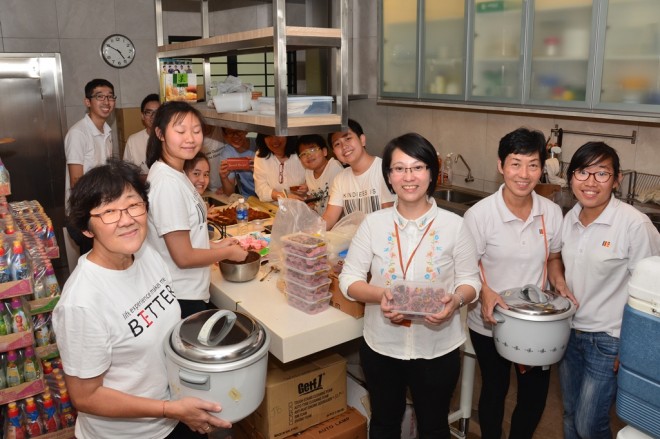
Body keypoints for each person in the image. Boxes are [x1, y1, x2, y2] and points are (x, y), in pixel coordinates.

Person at [52, 159, 231, 438]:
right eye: (108, 212)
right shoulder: (82, 302)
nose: (126, 220)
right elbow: (86, 397)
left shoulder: (147, 255)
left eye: (133, 205)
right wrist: (167, 409)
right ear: (87, 228)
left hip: (174, 414)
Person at [339, 133, 481, 439]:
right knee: (383, 425)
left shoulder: (454, 225)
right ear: (389, 177)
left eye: (417, 167)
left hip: (437, 348)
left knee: (434, 427)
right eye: (399, 169)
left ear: (431, 173)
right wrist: (380, 295)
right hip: (382, 346)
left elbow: (471, 281)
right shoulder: (373, 224)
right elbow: (348, 279)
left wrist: (455, 301)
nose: (409, 177)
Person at [462, 127, 573, 439]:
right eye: (515, 164)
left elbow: (553, 258)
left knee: (534, 395)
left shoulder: (551, 213)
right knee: (495, 390)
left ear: (542, 168)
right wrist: (484, 292)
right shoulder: (480, 215)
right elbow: (466, 268)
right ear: (500, 166)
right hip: (490, 321)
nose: (524, 174)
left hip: (536, 323)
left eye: (533, 165)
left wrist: (559, 280)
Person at [559, 141, 660, 439]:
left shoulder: (634, 225)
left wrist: (633, 349)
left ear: (616, 180)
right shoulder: (570, 219)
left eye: (601, 174)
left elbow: (653, 295)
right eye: (582, 172)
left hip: (609, 340)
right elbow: (559, 263)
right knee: (569, 413)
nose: (590, 182)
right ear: (571, 178)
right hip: (570, 333)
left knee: (589, 423)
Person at [146, 101, 247, 318]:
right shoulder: (167, 183)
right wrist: (227, 253)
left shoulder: (176, 172)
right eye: (180, 131)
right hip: (180, 295)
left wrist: (214, 245)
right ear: (160, 133)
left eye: (196, 130)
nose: (190, 138)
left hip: (189, 289)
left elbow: (182, 238)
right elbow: (183, 256)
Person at [65, 78, 116, 255]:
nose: (106, 102)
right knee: (94, 261)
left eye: (110, 97)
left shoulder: (107, 131)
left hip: (102, 210)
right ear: (88, 102)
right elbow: (76, 181)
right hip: (84, 213)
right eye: (99, 97)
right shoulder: (78, 133)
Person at [323, 119, 395, 230]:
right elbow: (330, 217)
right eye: (337, 144)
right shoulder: (340, 179)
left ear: (362, 140)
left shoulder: (384, 170)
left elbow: (390, 217)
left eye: (348, 138)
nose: (344, 146)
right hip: (355, 242)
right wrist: (309, 234)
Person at [297, 134, 344, 215]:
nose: (308, 155)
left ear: (324, 152)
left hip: (336, 221)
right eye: (303, 154)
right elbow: (311, 199)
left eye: (312, 150)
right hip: (321, 221)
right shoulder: (308, 172)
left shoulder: (334, 167)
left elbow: (337, 208)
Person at [253, 134, 306, 202]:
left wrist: (307, 187)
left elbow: (314, 178)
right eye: (268, 136)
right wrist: (283, 196)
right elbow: (261, 189)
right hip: (273, 209)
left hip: (302, 206)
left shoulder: (301, 152)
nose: (274, 140)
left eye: (278, 135)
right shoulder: (261, 156)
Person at [123, 93, 160, 181]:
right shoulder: (133, 140)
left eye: (157, 112)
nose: (153, 117)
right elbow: (126, 173)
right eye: (149, 112)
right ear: (142, 116)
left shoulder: (172, 139)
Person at [217, 127, 257, 198]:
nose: (235, 136)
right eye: (230, 132)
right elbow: (230, 193)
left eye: (239, 131)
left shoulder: (258, 145)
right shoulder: (227, 154)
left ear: (246, 131)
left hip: (266, 196)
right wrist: (224, 178)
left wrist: (260, 169)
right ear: (224, 135)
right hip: (247, 198)